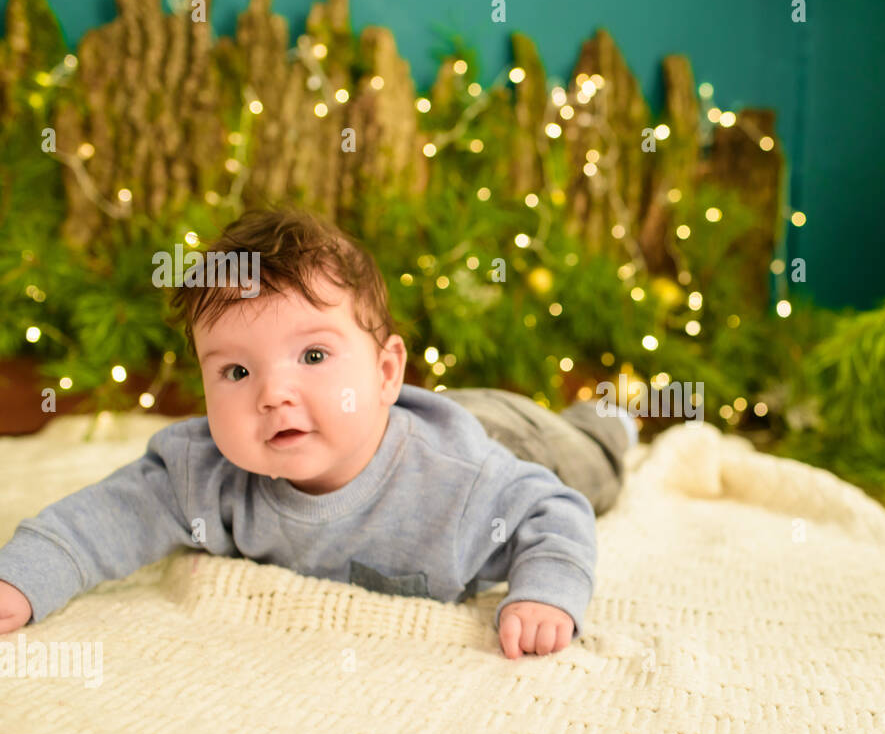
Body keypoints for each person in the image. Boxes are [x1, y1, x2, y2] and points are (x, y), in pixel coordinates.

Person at [0, 206, 638, 659]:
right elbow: (108, 516)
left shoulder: (464, 483)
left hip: (511, 432)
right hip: (414, 413)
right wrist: (23, 579)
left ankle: (610, 416)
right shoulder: (204, 476)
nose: (272, 394)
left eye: (311, 357)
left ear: (386, 370)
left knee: (594, 463)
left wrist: (547, 594)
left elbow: (554, 510)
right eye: (237, 370)